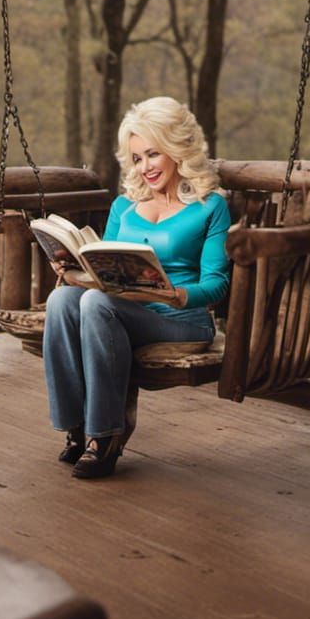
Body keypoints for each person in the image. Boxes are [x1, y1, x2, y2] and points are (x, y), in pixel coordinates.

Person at [43, 96, 231, 479]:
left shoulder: (210, 207)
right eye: (137, 158)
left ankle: (106, 436)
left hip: (181, 318)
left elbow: (218, 283)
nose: (145, 167)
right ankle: (75, 427)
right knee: (62, 299)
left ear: (176, 149)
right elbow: (104, 273)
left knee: (96, 304)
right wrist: (73, 269)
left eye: (153, 154)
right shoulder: (124, 207)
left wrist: (178, 295)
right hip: (124, 310)